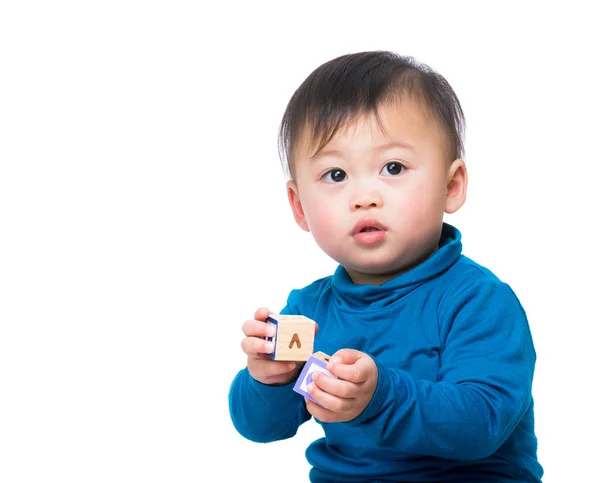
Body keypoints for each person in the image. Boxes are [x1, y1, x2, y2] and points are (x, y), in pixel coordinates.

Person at [228, 50, 543, 482]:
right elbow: (262, 429)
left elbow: (482, 423)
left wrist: (379, 397)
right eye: (336, 175)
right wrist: (268, 380)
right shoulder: (306, 311)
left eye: (392, 167)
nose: (364, 197)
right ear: (300, 207)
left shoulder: (479, 301)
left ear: (451, 187)